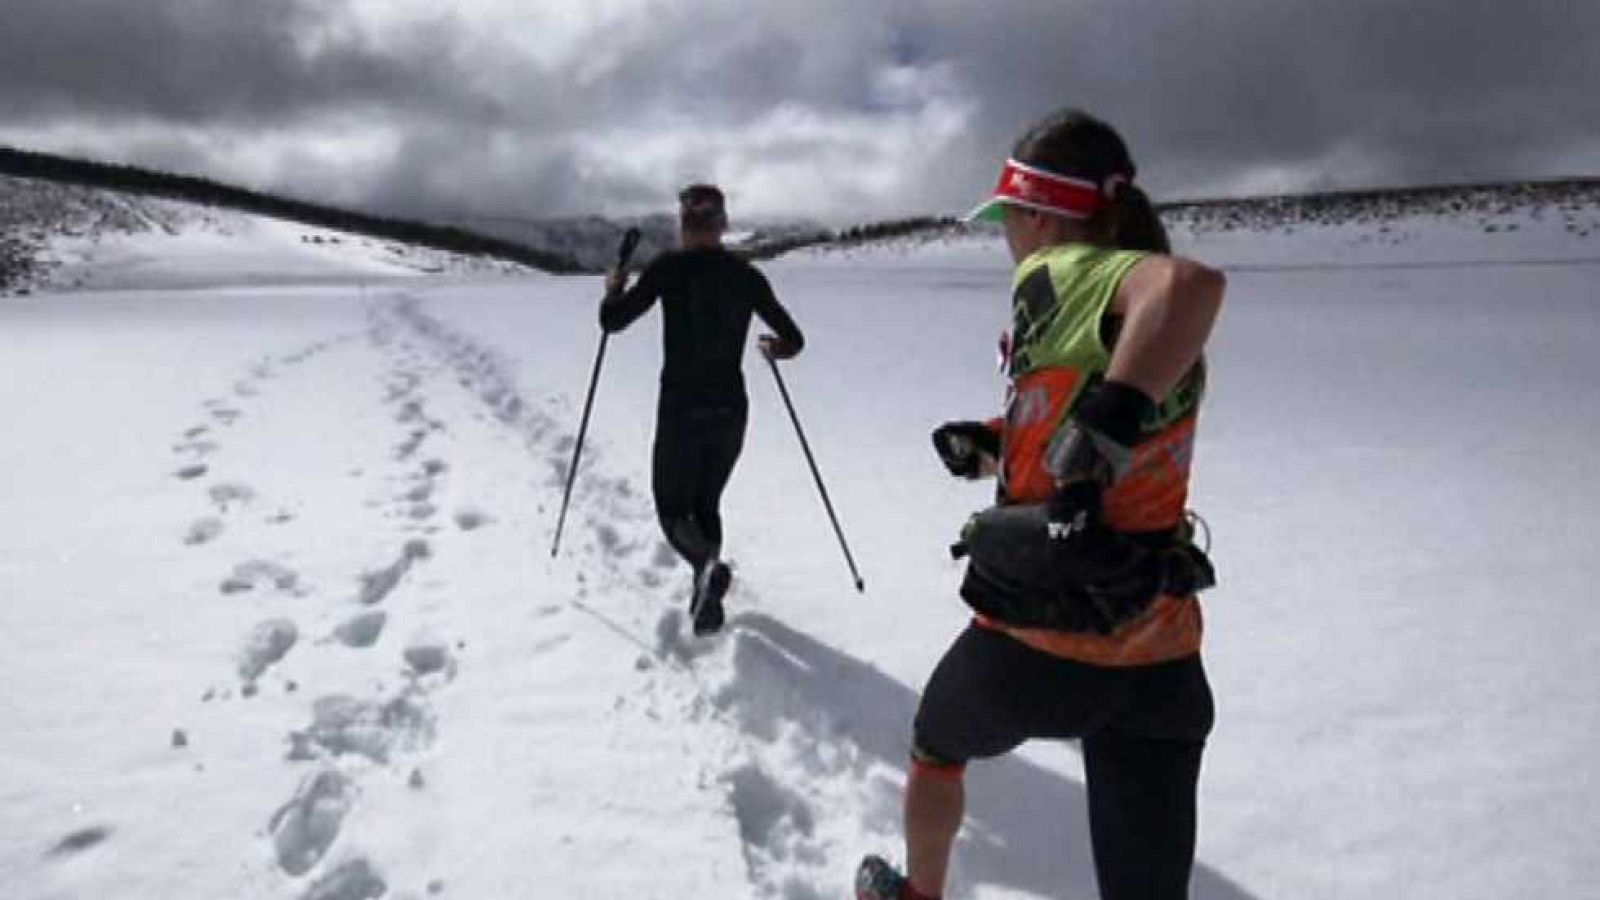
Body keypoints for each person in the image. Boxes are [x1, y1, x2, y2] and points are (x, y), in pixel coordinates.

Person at [857, 109, 1227, 900]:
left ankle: (917, 894)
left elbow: (1192, 285)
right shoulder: (1128, 323)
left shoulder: (1064, 271)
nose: (1008, 240)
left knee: (935, 744)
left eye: (1008, 221)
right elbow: (1093, 438)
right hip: (1161, 658)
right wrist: (994, 443)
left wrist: (1106, 422)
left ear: (1038, 214)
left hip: (1040, 645)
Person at [600, 184, 805, 635]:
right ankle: (704, 597)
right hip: (730, 409)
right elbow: (794, 339)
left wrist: (614, 291)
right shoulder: (745, 276)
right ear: (723, 224)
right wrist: (773, 348)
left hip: (681, 410)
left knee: (673, 509)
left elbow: (612, 323)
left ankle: (705, 566)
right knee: (707, 502)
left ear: (684, 224)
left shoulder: (667, 268)